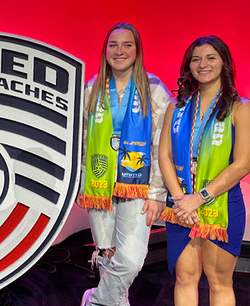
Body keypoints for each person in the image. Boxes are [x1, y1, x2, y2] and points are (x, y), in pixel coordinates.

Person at [159, 35, 250, 306]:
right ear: (188, 65)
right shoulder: (176, 107)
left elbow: (242, 165)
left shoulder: (241, 107)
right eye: (196, 59)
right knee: (185, 277)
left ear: (224, 63)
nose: (203, 64)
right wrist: (181, 199)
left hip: (221, 205)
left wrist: (197, 198)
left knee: (218, 281)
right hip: (180, 206)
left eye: (211, 57)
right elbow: (164, 156)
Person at [78, 22, 171, 306]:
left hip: (138, 184)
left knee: (130, 259)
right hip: (99, 182)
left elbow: (160, 146)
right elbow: (83, 141)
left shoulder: (153, 88)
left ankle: (95, 300)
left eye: (127, 44)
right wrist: (81, 182)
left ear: (137, 50)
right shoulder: (92, 88)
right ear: (105, 50)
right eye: (113, 45)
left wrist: (157, 194)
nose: (119, 51)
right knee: (107, 252)